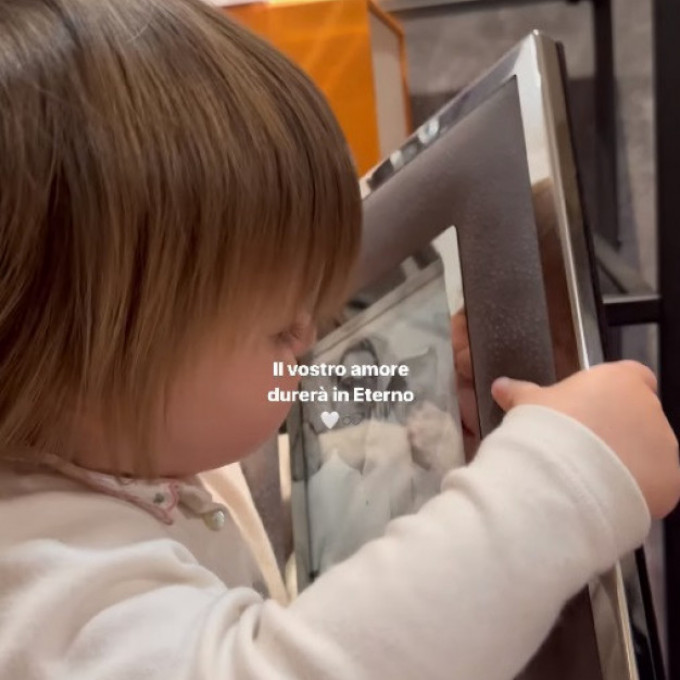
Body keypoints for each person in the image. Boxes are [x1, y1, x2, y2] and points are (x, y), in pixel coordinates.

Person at [0, 2, 678, 680]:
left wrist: (423, 413)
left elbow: (245, 480)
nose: (307, 337)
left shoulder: (107, 463)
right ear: (82, 353)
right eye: (280, 330)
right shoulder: (46, 582)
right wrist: (563, 478)